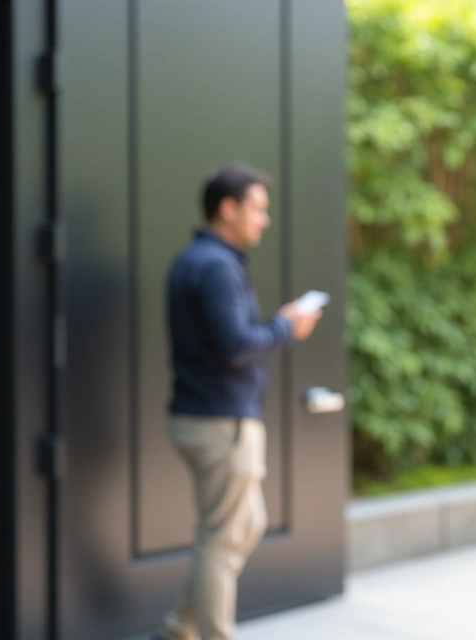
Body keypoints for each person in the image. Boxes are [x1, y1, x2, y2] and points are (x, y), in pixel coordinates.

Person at [157, 163, 321, 640]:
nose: (264, 220)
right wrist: (288, 326)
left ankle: (179, 628)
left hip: (203, 416)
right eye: (257, 209)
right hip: (220, 423)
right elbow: (236, 346)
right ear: (227, 209)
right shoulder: (216, 266)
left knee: (245, 525)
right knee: (224, 540)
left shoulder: (193, 260)